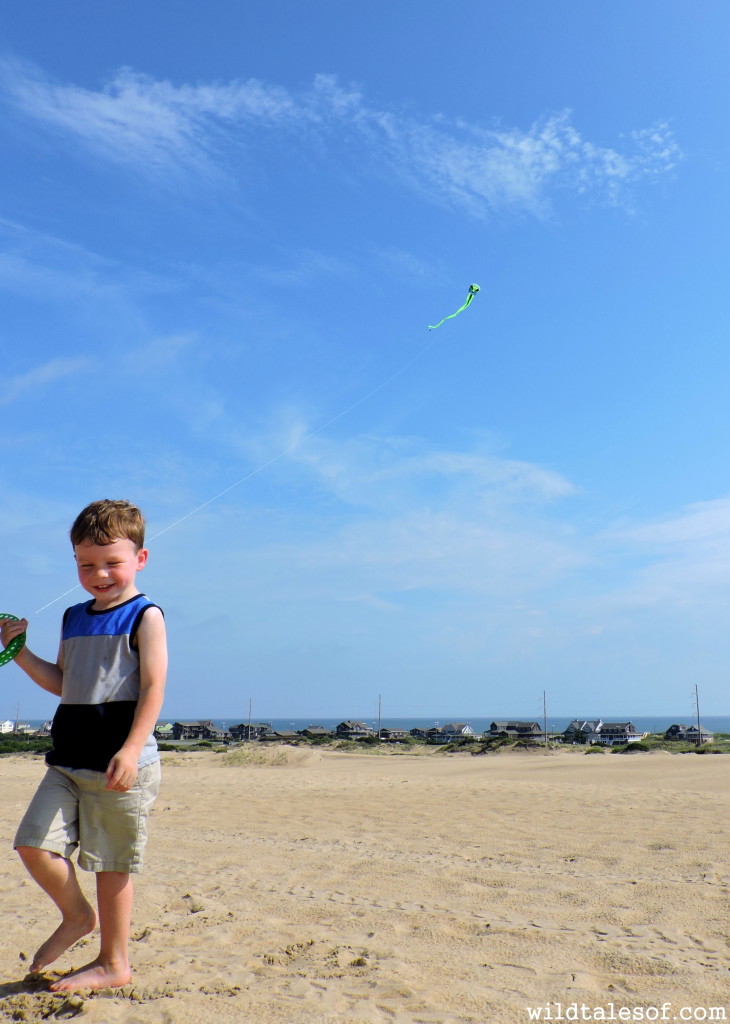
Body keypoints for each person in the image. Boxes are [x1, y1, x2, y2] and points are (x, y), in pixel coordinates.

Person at [0, 499, 167, 992]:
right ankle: (77, 918)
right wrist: (18, 651)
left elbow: (155, 687)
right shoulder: (73, 617)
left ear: (140, 558)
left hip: (120, 764)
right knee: (32, 845)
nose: (99, 574)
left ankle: (115, 963)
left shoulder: (146, 615)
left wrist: (132, 750)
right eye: (86, 564)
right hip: (67, 761)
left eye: (111, 562)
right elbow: (63, 682)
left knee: (111, 866)